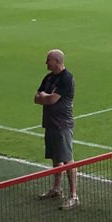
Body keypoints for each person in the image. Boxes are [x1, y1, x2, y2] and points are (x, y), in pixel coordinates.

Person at [33, 49, 78, 209]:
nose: (46, 63)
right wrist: (45, 96)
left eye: (48, 60)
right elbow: (36, 98)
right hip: (50, 124)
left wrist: (44, 96)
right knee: (55, 158)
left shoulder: (66, 79)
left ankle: (73, 195)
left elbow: (51, 99)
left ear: (57, 61)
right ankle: (57, 188)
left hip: (62, 125)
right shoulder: (49, 77)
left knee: (67, 159)